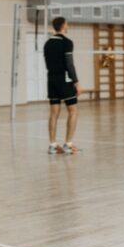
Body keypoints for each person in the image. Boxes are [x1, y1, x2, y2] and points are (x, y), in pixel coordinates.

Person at [44, 16, 80, 154]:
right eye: (67, 23)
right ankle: (68, 145)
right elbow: (69, 64)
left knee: (54, 113)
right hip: (64, 79)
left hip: (51, 79)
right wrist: (76, 82)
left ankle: (53, 145)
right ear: (63, 25)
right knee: (73, 111)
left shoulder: (47, 43)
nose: (68, 25)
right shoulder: (67, 42)